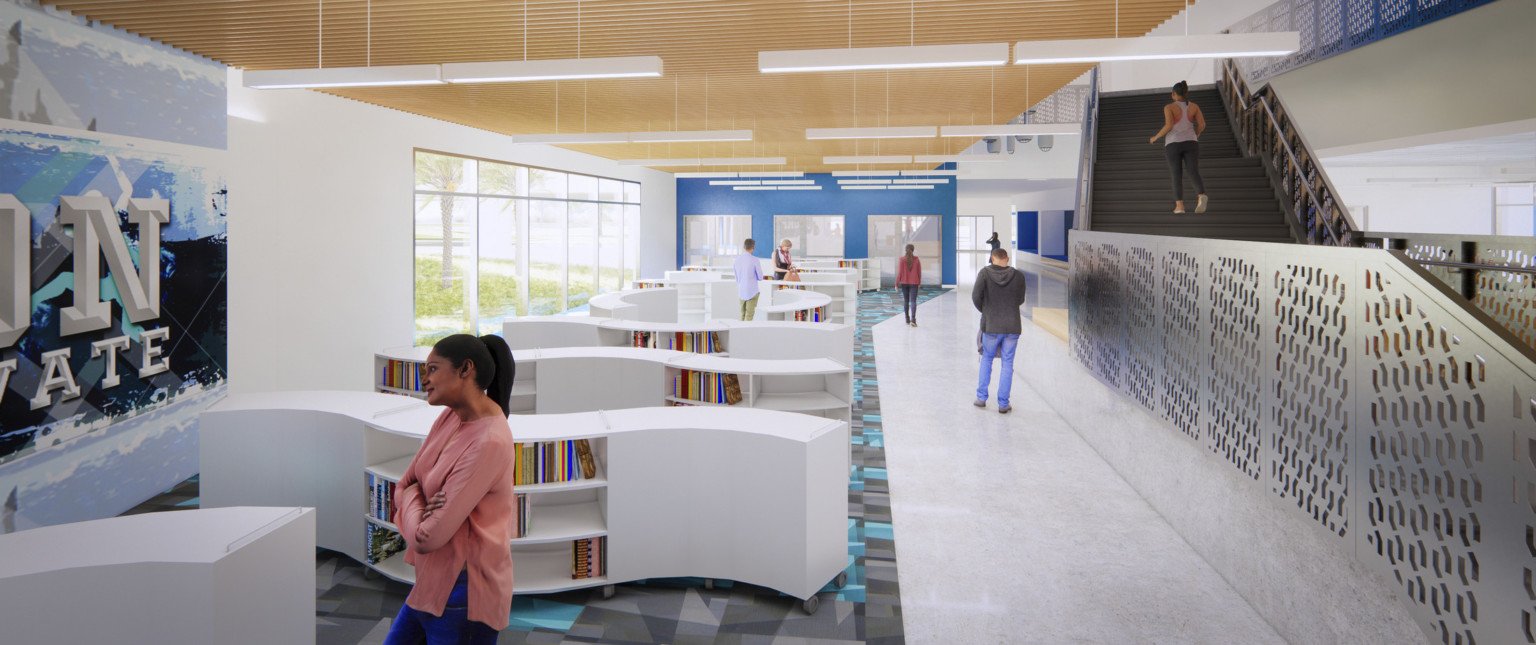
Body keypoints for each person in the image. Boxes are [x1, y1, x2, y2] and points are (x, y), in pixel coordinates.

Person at [385, 334, 517, 645]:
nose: (423, 379)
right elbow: (404, 484)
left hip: (465, 591)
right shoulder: (450, 416)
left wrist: (410, 499)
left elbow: (426, 537)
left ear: (465, 369)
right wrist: (415, 497)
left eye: (432, 369)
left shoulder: (489, 441)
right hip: (432, 579)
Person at [972, 248, 1027, 414]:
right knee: (1007, 363)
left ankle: (981, 398)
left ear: (992, 258)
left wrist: (986, 310)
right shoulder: (1018, 276)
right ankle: (1003, 403)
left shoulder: (984, 274)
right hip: (1012, 326)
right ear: (1007, 259)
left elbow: (976, 297)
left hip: (991, 325)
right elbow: (1020, 299)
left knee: (987, 359)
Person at [1149, 80, 1208, 214]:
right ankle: (1201, 195)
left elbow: (1169, 125)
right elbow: (1202, 124)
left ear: (1173, 94)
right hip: (1191, 142)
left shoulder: (1169, 107)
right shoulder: (1194, 106)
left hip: (1173, 144)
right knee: (1193, 171)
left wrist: (1155, 137)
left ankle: (1180, 206)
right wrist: (1195, 135)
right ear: (1186, 93)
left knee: (1176, 174)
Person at [734, 238, 764, 321]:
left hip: (741, 291)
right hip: (752, 291)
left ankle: (740, 333)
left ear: (744, 246)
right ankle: (745, 333)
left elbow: (737, 278)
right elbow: (760, 277)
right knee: (749, 316)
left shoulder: (736, 260)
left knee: (742, 315)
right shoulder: (755, 260)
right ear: (753, 247)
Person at [896, 243, 922, 327]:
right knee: (913, 301)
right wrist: (919, 283)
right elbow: (919, 273)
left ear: (905, 250)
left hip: (904, 283)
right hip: (914, 283)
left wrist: (896, 284)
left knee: (906, 301)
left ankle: (907, 319)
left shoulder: (901, 260)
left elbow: (899, 273)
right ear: (913, 250)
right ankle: (913, 320)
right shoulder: (917, 260)